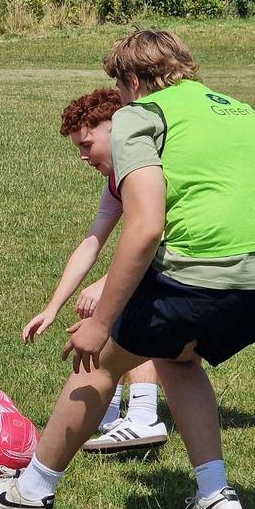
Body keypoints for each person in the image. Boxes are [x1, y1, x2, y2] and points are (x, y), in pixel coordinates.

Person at [0, 30, 255, 509]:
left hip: (205, 269)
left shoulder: (141, 114)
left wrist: (99, 322)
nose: (120, 96)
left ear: (133, 80)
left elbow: (145, 226)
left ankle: (31, 494)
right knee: (176, 357)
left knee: (99, 361)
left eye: (119, 85)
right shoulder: (241, 110)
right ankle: (214, 496)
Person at [22, 88, 168, 451]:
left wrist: (105, 283)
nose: (83, 156)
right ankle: (107, 408)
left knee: (132, 305)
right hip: (169, 258)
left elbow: (158, 236)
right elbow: (91, 242)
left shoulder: (151, 167)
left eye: (87, 144)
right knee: (109, 303)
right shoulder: (116, 180)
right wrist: (52, 307)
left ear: (117, 129)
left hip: (192, 257)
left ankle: (143, 415)